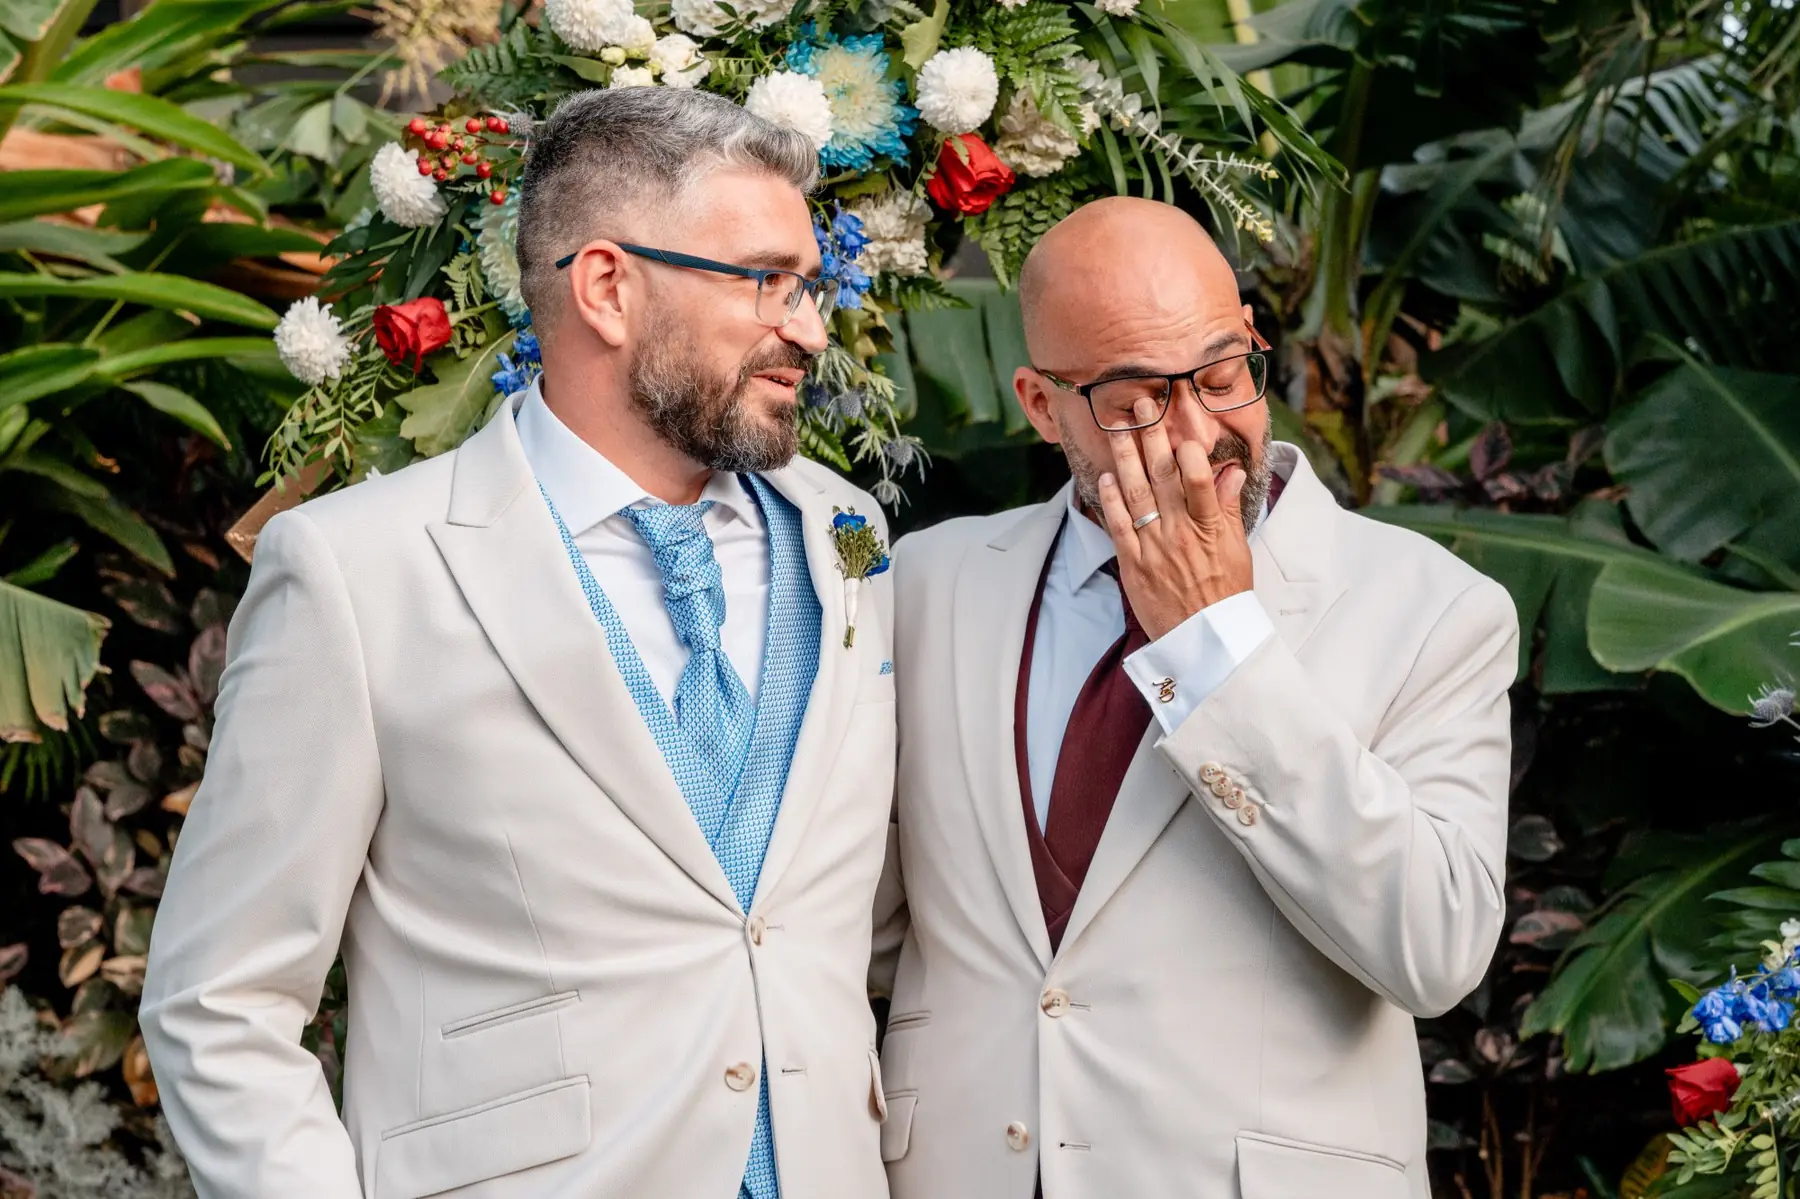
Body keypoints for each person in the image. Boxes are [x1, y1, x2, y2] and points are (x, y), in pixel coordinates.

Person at [141, 88, 896, 1199]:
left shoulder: (848, 535)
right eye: (767, 282)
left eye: (810, 284)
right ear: (607, 286)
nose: (811, 327)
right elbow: (222, 999)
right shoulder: (358, 571)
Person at [871, 197, 1519, 1199]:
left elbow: (1435, 947)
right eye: (1135, 399)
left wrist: (1217, 649)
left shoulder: (1435, 609)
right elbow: (853, 915)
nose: (1196, 433)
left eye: (1222, 376)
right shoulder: (928, 582)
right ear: (1043, 406)